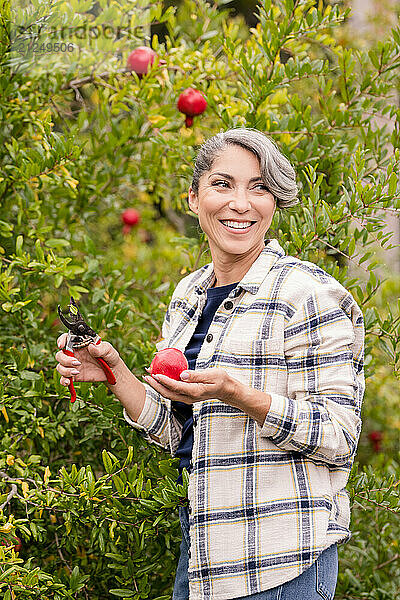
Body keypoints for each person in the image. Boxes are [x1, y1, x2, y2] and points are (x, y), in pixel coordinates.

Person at [55, 127, 365, 600]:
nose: (240, 203)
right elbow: (182, 433)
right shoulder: (188, 296)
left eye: (258, 188)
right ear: (194, 197)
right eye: (224, 184)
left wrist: (237, 393)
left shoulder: (310, 294)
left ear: (274, 203)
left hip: (281, 568)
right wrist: (115, 373)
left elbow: (340, 438)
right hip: (203, 563)